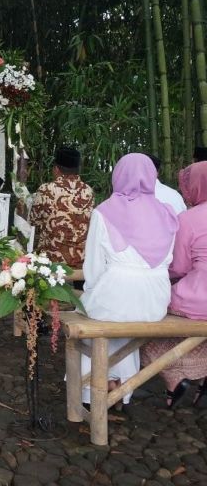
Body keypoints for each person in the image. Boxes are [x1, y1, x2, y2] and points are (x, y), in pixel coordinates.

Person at [74, 153, 179, 405]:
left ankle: (93, 390)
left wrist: (91, 292)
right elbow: (170, 259)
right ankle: (123, 389)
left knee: (97, 313)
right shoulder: (167, 212)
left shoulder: (105, 212)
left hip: (116, 291)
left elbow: (94, 267)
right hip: (155, 300)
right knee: (121, 321)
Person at [141, 161, 207, 408]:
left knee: (153, 332)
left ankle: (174, 379)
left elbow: (178, 267)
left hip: (197, 298)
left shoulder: (188, 219)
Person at [29, 147, 94, 268]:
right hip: (81, 259)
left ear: (56, 169)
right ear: (77, 169)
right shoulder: (88, 191)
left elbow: (34, 221)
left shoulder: (46, 189)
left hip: (51, 260)